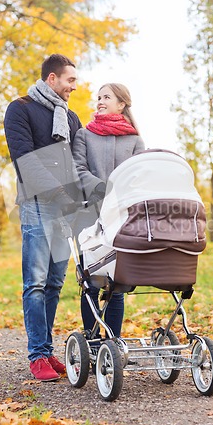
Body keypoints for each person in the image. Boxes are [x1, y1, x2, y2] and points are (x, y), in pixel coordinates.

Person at [4, 54, 83, 381]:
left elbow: (79, 162)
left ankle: (47, 351)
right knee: (35, 282)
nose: (73, 88)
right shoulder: (20, 109)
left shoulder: (72, 118)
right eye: (70, 81)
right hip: (37, 204)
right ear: (52, 79)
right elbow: (26, 161)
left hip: (66, 208)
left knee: (54, 282)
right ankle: (37, 355)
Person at [72, 83, 145, 340]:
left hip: (122, 220)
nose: (100, 101)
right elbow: (78, 170)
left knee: (117, 285)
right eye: (99, 97)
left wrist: (122, 197)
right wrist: (103, 188)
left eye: (106, 97)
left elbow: (139, 177)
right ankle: (91, 342)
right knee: (90, 282)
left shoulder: (135, 140)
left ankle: (113, 344)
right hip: (90, 216)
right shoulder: (84, 135)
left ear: (121, 104)